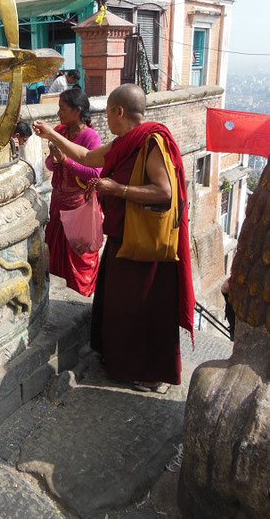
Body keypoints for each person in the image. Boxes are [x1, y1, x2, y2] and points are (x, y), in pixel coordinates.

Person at [33, 84, 195, 391]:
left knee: (143, 310)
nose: (105, 119)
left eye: (108, 112)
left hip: (145, 245)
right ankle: (120, 363)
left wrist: (116, 189)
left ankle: (149, 374)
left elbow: (165, 191)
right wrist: (51, 135)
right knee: (119, 305)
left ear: (119, 111)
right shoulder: (125, 142)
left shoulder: (152, 141)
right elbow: (88, 156)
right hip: (123, 238)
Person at [43, 88, 103, 297]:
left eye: (63, 109)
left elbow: (94, 173)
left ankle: (79, 301)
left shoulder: (90, 137)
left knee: (78, 260)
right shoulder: (60, 131)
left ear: (77, 111)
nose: (59, 113)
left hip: (78, 208)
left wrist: (66, 161)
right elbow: (50, 165)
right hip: (58, 204)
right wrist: (55, 160)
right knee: (53, 256)